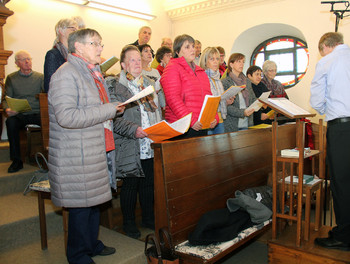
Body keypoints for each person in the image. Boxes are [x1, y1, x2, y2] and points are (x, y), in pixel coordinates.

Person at [48, 28, 135, 263]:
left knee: (94, 202)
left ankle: (91, 243)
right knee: (81, 207)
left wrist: (113, 107)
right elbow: (67, 117)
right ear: (79, 47)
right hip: (76, 152)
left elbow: (96, 107)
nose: (100, 48)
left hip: (94, 146)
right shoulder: (65, 75)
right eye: (95, 44)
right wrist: (108, 110)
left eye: (100, 43)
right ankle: (77, 255)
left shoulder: (92, 72)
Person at [109, 45, 163, 239]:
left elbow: (156, 111)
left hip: (149, 141)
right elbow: (114, 118)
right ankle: (129, 223)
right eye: (131, 60)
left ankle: (148, 218)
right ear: (123, 65)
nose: (136, 63)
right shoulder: (115, 86)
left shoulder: (148, 83)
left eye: (138, 59)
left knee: (148, 183)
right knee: (131, 184)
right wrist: (135, 130)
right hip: (129, 142)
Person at [310, 32, 350, 251]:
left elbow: (317, 99)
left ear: (325, 46)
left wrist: (328, 111)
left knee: (342, 184)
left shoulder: (327, 61)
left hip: (342, 128)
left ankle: (344, 237)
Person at [160, 34, 218, 138]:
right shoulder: (172, 68)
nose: (192, 49)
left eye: (193, 46)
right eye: (187, 47)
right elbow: (173, 99)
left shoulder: (200, 71)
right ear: (177, 51)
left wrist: (214, 116)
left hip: (201, 125)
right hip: (182, 127)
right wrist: (190, 120)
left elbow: (209, 97)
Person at [2, 50, 43, 173]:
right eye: (23, 59)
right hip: (20, 114)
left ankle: (49, 156)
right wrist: (7, 109)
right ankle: (17, 161)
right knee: (11, 122)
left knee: (52, 121)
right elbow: (6, 98)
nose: (27, 62)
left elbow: (46, 95)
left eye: (29, 59)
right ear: (16, 63)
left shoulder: (40, 77)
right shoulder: (11, 78)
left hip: (37, 113)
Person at [199, 47, 235, 135]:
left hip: (220, 119)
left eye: (217, 59)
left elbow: (219, 100)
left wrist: (226, 102)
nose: (215, 62)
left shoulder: (218, 78)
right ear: (205, 62)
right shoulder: (202, 77)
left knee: (221, 147)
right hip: (209, 120)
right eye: (212, 59)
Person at [221, 53, 256, 132]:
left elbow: (252, 98)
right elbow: (225, 105)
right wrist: (242, 112)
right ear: (231, 64)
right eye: (238, 61)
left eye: (243, 62)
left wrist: (260, 102)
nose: (241, 64)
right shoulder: (225, 82)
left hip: (247, 122)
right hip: (232, 123)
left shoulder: (247, 81)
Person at [44, 18, 78, 92]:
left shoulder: (75, 55)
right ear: (61, 31)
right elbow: (50, 85)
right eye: (73, 29)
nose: (76, 33)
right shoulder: (53, 55)